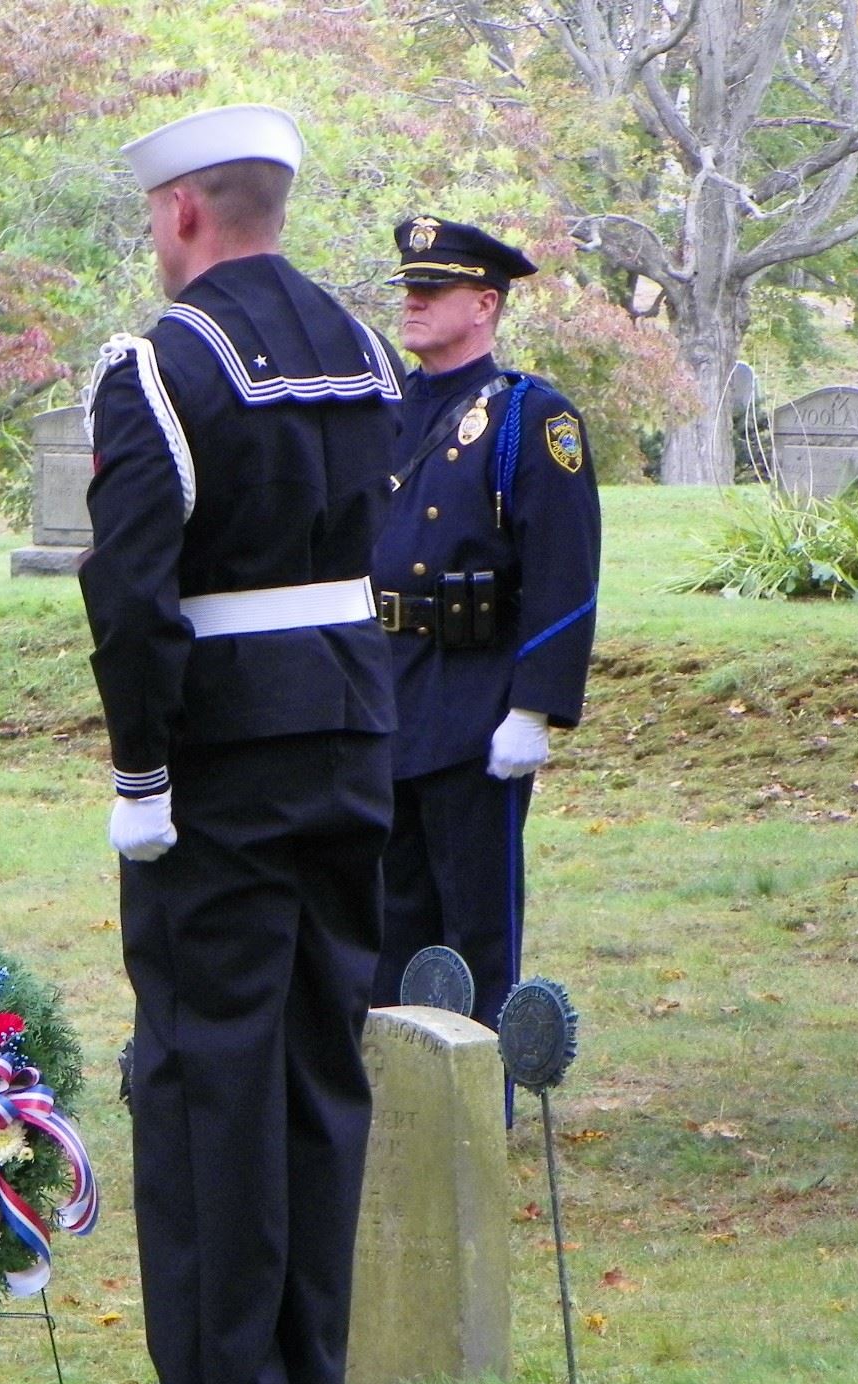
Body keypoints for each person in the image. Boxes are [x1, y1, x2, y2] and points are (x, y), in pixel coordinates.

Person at [77, 105, 402, 1384]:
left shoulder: (160, 367)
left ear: (187, 214)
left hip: (223, 759)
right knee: (319, 1065)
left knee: (209, 1070)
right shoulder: (368, 348)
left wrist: (142, 768)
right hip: (351, 735)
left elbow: (133, 596)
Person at [366, 218, 601, 1112]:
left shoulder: (530, 419)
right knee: (390, 915)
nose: (414, 303)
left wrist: (535, 707)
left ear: (486, 304)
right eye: (408, 289)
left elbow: (566, 573)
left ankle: (480, 1101)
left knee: (475, 921)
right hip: (388, 691)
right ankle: (397, 1098)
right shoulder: (385, 411)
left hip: (476, 702)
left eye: (435, 289)